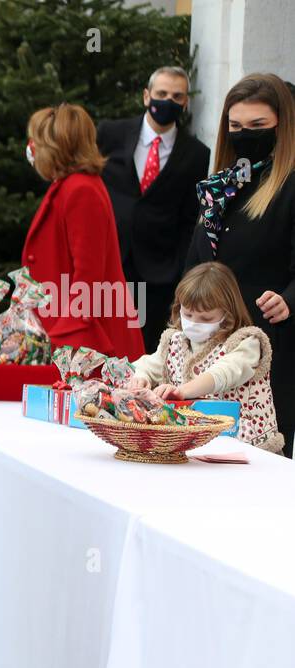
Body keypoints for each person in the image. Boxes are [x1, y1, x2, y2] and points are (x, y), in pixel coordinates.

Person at [184, 73, 295, 456]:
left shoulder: (289, 186)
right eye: (235, 126)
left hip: (265, 354)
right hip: (205, 350)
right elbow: (194, 268)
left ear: (283, 125)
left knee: (256, 462)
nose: (245, 134)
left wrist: (289, 299)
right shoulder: (220, 188)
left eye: (258, 126)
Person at [97, 66, 211, 353]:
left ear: (185, 103)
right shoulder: (110, 133)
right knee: (104, 346)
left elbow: (189, 218)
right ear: (146, 96)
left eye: (176, 96)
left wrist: (178, 271)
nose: (167, 101)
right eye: (161, 93)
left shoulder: (197, 153)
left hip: (158, 275)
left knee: (144, 352)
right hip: (109, 263)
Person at [22, 103, 145, 359]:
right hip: (78, 330)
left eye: (36, 141)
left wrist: (63, 339)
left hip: (88, 339)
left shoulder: (80, 189)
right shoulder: (73, 184)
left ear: (55, 147)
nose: (31, 148)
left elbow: (88, 278)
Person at [129, 262, 281, 453]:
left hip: (249, 449)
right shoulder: (174, 340)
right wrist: (141, 378)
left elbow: (223, 373)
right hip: (198, 447)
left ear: (227, 313)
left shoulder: (246, 342)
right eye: (188, 314)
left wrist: (182, 392)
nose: (193, 323)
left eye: (206, 318)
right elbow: (149, 365)